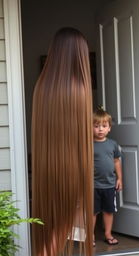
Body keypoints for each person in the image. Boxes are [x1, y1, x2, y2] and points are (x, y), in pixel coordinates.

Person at [32, 27, 94, 256]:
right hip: (71, 170)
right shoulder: (78, 89)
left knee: (50, 230)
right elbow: (79, 140)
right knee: (60, 232)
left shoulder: (42, 88)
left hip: (46, 166)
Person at [93, 107, 123, 246]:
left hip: (109, 184)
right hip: (93, 185)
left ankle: (108, 234)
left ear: (109, 128)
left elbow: (116, 161)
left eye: (104, 126)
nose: (100, 129)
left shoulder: (112, 144)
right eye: (96, 126)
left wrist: (119, 178)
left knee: (109, 210)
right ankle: (90, 236)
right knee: (93, 212)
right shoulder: (88, 145)